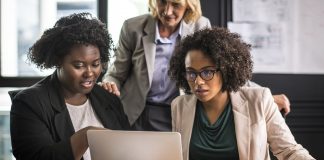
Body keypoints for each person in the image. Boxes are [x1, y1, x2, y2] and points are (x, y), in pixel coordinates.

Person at [100, 0, 290, 131]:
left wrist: (264, 95)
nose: (167, 11)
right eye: (162, 1)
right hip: (138, 112)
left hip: (178, 110)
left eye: (176, 4)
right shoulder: (132, 27)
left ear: (189, 5)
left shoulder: (199, 26)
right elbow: (117, 72)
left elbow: (222, 70)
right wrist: (109, 82)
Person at [168, 27, 314, 160]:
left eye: (207, 72)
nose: (198, 81)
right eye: (191, 73)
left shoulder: (259, 100)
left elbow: (289, 151)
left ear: (225, 70)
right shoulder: (179, 106)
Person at [9, 13, 130, 160]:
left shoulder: (107, 97)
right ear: (58, 61)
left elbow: (127, 149)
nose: (90, 73)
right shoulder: (30, 103)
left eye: (96, 64)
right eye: (79, 65)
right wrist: (86, 136)